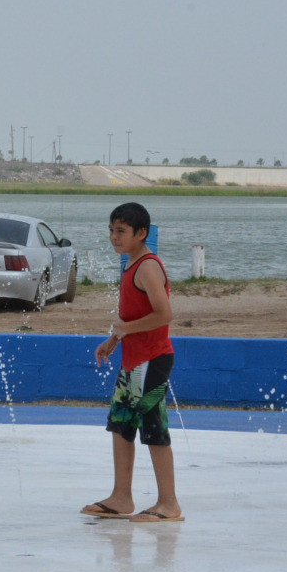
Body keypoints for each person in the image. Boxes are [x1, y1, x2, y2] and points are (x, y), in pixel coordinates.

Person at [82, 202, 183, 523]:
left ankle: (169, 504)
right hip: (133, 361)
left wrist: (126, 329)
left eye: (121, 231)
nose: (114, 237)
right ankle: (121, 497)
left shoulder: (147, 266)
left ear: (141, 234)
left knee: (154, 429)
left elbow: (164, 314)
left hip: (153, 361)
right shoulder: (130, 264)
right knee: (121, 425)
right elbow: (133, 315)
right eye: (112, 230)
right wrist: (114, 339)